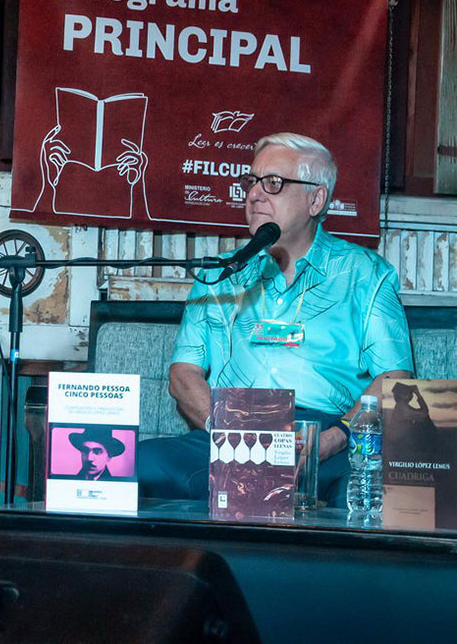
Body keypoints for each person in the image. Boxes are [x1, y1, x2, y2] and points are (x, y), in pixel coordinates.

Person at [138, 133, 413, 508]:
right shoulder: (221, 274)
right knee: (134, 466)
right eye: (251, 182)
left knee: (375, 493)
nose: (254, 195)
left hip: (325, 439)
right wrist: (232, 440)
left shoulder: (367, 275)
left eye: (274, 183)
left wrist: (333, 439)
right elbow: (183, 375)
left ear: (315, 199)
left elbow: (394, 379)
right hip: (229, 432)